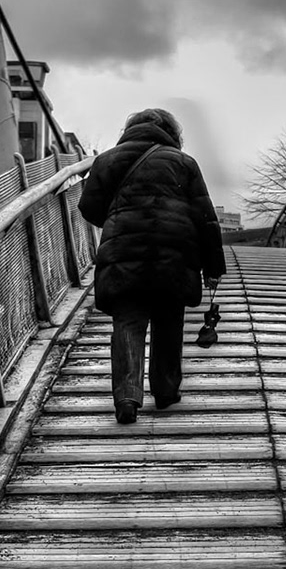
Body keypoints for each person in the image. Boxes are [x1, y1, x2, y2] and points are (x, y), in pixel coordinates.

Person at [77, 107, 225, 424]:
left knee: (127, 323)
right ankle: (165, 392)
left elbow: (89, 207)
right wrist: (213, 267)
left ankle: (127, 399)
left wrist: (118, 218)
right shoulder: (184, 163)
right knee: (168, 322)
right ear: (171, 132)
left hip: (123, 252)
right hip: (174, 254)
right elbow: (205, 217)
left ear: (130, 129)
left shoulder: (106, 160)